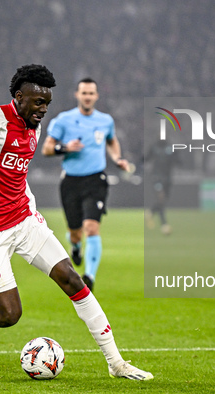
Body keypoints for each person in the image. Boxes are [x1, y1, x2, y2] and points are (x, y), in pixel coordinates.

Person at [0, 65, 152, 380]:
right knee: (10, 314)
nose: (43, 110)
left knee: (72, 280)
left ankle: (116, 363)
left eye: (47, 103)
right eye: (37, 102)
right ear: (19, 97)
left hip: (24, 222)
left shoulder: (32, 125)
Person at [42, 78, 129, 292]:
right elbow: (46, 149)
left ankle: (89, 275)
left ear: (96, 96)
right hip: (71, 181)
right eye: (84, 93)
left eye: (91, 93)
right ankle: (75, 246)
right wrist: (65, 147)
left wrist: (117, 158)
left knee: (92, 227)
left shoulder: (105, 120)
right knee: (76, 232)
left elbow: (111, 140)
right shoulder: (64, 120)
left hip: (95, 180)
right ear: (77, 95)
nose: (88, 97)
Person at [144, 137, 179, 235]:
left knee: (163, 200)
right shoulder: (154, 147)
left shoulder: (171, 148)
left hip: (167, 178)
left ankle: (151, 211)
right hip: (157, 177)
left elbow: (178, 161)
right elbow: (146, 158)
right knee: (161, 199)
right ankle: (164, 224)